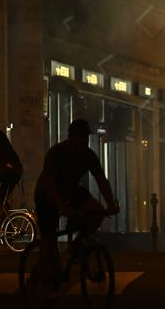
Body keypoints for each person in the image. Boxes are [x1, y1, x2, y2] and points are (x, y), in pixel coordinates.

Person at [34, 119, 118, 284]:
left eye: (86, 137)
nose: (84, 141)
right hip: (46, 194)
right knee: (48, 238)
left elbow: (101, 180)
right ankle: (43, 275)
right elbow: (49, 183)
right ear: (70, 137)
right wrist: (61, 207)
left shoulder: (88, 155)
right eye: (80, 137)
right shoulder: (56, 153)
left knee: (96, 211)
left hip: (70, 189)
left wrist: (111, 204)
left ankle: (75, 248)